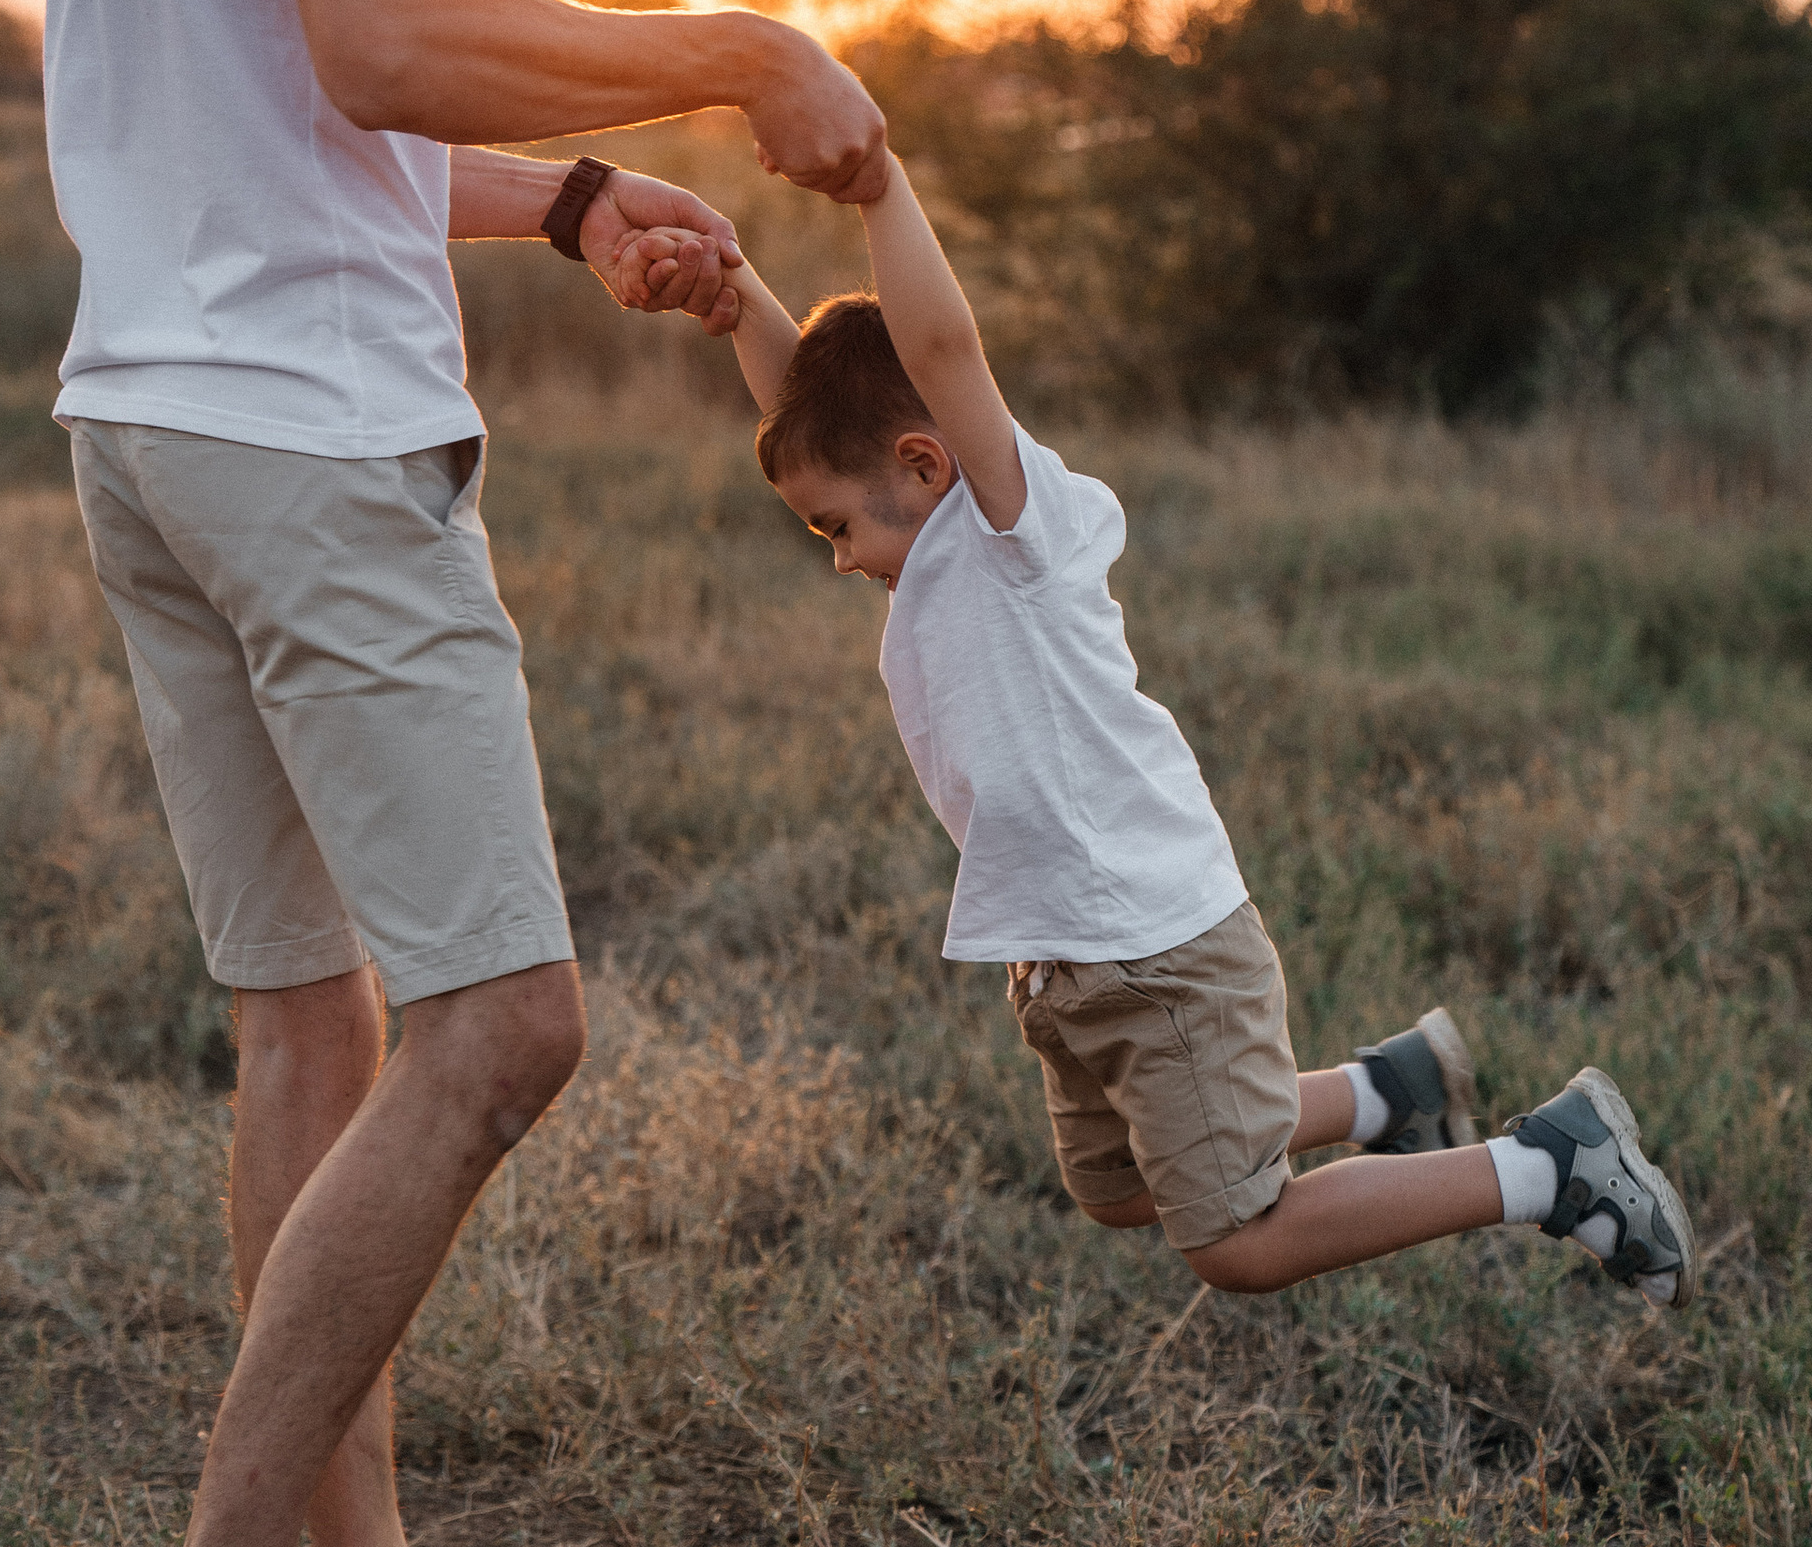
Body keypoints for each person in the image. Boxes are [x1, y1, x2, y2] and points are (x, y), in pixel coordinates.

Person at [44, 0, 887, 1547]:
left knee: (310, 1038)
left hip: (156, 423)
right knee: (504, 1030)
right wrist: (733, 54)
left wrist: (558, 204)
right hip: (307, 459)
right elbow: (379, 36)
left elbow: (285, 110)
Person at [721, 161, 1701, 1317]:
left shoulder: (1007, 530)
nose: (836, 556)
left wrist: (876, 182)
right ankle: (1384, 1090)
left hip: (1149, 942)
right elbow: (819, 408)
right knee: (1123, 1189)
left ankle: (1549, 1166)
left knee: (1236, 1239)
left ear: (924, 465)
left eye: (834, 527)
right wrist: (730, 288)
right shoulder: (929, 548)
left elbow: (940, 358)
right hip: (1062, 957)